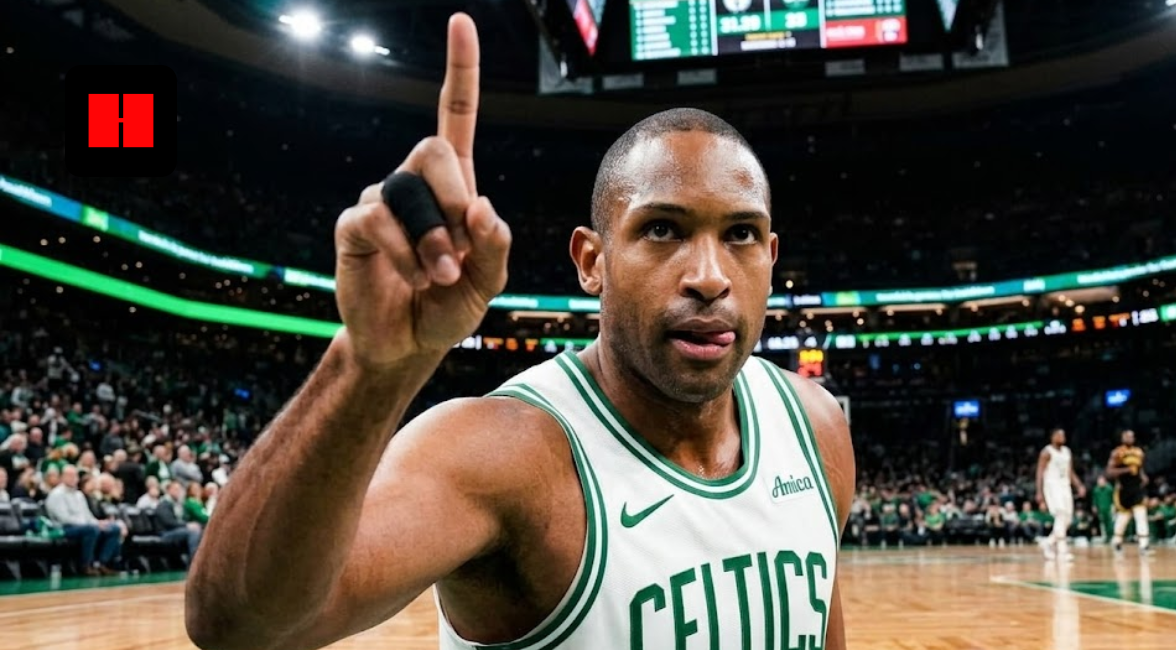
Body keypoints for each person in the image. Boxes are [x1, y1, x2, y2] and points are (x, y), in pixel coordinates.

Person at [184, 13, 854, 650]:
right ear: (593, 262)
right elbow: (241, 628)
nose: (709, 275)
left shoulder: (816, 427)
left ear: (769, 260)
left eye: (739, 234)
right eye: (661, 229)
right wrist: (369, 368)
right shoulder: (505, 456)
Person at [43, 465, 122, 576]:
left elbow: (88, 516)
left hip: (83, 527)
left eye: (75, 475)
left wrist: (98, 523)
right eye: (69, 475)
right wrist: (91, 525)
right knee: (91, 529)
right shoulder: (56, 494)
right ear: (62, 477)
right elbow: (64, 518)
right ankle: (86, 565)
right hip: (63, 528)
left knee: (114, 528)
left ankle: (101, 563)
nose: (73, 478)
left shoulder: (79, 494)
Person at [1035, 428, 1086, 562]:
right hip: (1052, 485)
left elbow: (1070, 471)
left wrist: (1079, 485)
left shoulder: (1067, 451)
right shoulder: (1047, 452)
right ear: (1052, 437)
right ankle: (1062, 551)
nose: (1061, 437)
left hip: (1065, 485)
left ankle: (1049, 543)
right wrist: (1039, 492)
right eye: (1058, 435)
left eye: (1063, 435)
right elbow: (1040, 473)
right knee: (1060, 514)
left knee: (1067, 519)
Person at [1108, 429, 1151, 556]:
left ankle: (1144, 544)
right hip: (1122, 488)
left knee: (1141, 514)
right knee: (1123, 517)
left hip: (1137, 487)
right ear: (1122, 438)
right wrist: (1126, 470)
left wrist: (1143, 476)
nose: (1130, 438)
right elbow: (1109, 472)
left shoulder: (1139, 452)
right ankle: (1117, 540)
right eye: (1127, 436)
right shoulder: (1117, 453)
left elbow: (1140, 469)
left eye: (1132, 436)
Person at [1092, 475, 1114, 542]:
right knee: (1102, 524)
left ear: (1105, 481)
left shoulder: (1109, 488)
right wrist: (1094, 506)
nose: (1100, 482)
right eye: (1099, 481)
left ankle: (1111, 536)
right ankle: (1105, 537)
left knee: (1110, 524)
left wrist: (1113, 507)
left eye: (1101, 481)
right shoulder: (1096, 490)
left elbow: (1113, 498)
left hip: (1109, 509)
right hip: (1101, 510)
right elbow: (1094, 499)